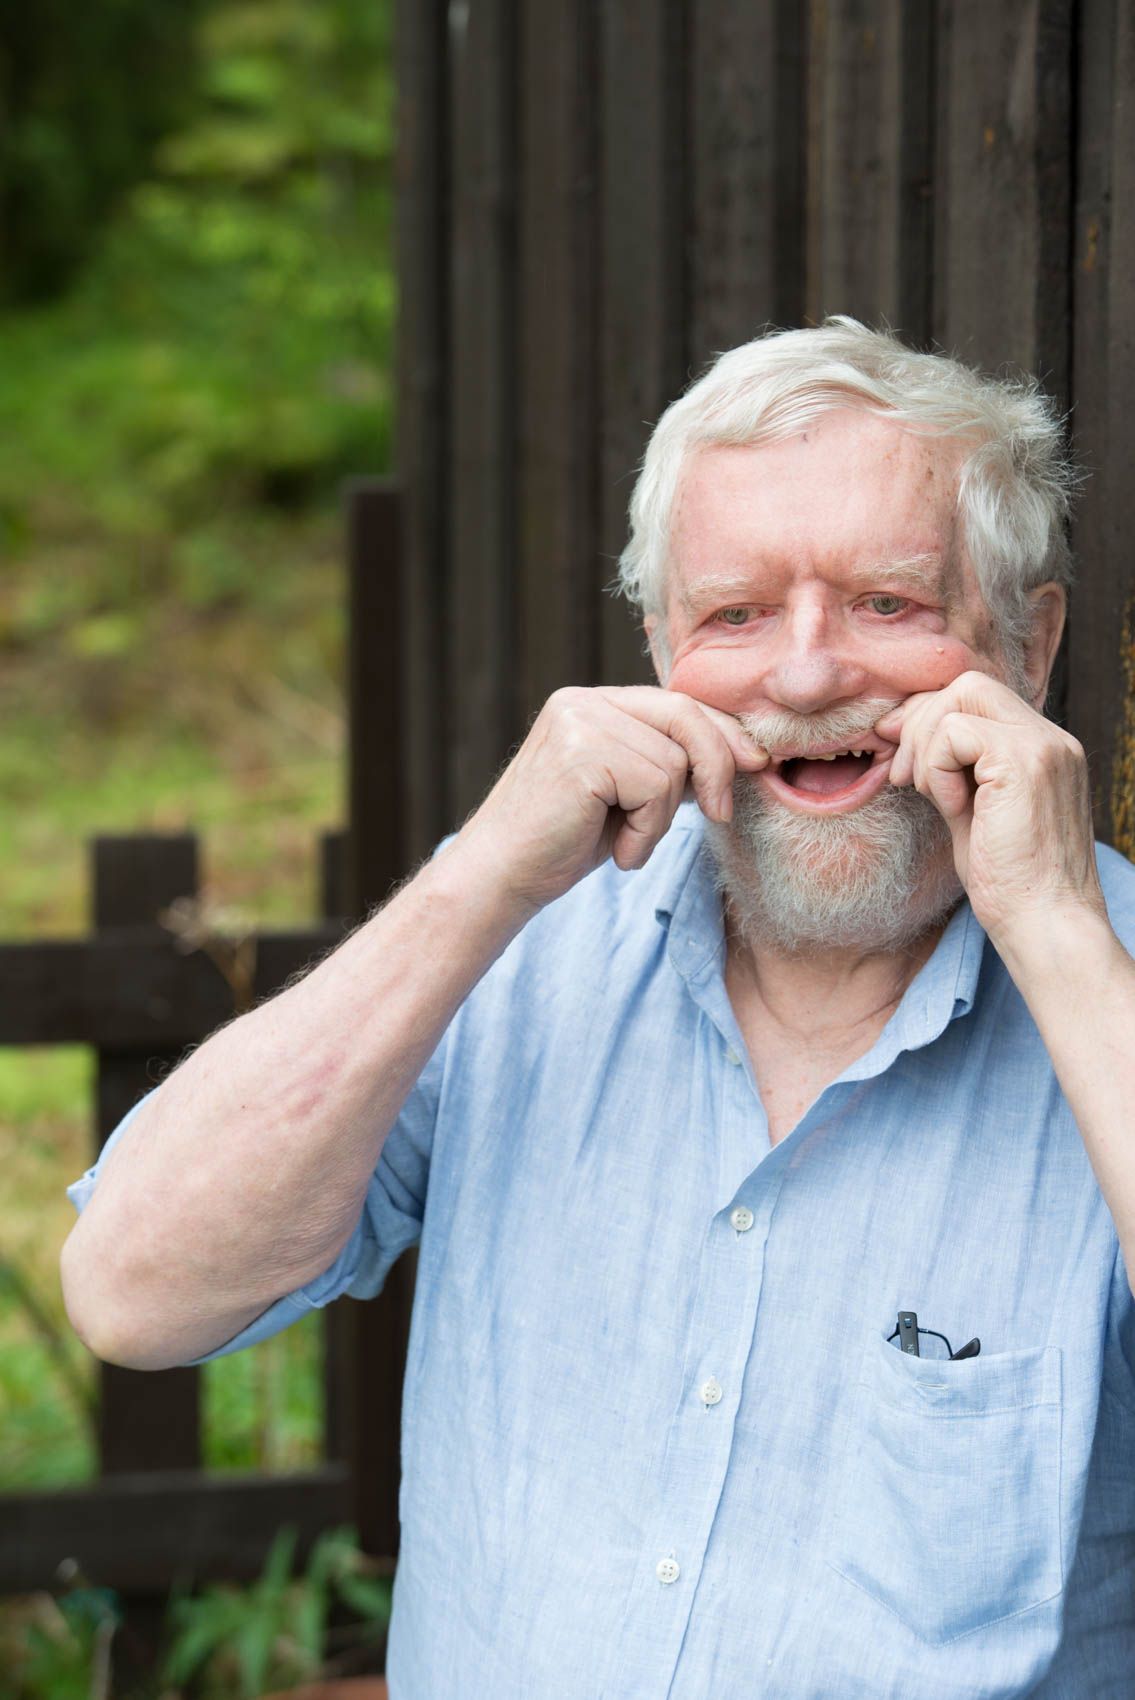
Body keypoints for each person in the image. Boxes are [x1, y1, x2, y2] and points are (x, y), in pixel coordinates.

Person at [62, 319, 1135, 1696]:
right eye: (733, 616)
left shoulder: (1108, 992)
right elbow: (135, 1294)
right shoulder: (524, 937)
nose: (805, 676)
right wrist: (484, 878)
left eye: (888, 603)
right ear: (655, 648)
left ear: (1030, 646)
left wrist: (1050, 926)